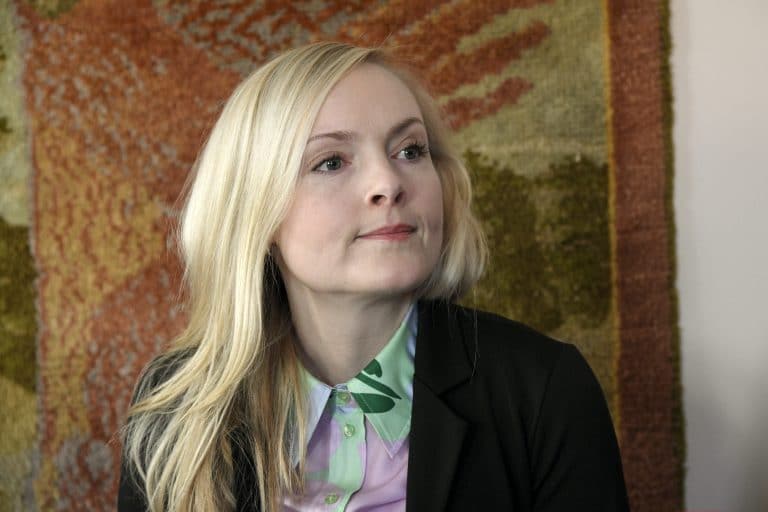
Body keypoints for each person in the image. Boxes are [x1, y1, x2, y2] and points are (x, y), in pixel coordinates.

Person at [118, 41, 629, 512]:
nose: (388, 182)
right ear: (256, 212)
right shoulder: (176, 408)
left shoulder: (543, 390)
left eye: (410, 150)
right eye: (331, 162)